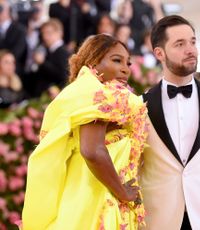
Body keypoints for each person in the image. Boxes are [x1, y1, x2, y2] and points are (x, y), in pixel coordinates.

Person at [22, 34, 148, 230]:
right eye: (117, 60)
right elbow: (92, 150)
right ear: (93, 62)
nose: (125, 69)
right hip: (94, 198)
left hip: (86, 192)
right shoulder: (96, 93)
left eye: (128, 63)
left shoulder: (83, 91)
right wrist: (122, 192)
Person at [140, 15, 200, 229]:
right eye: (180, 44)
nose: (191, 50)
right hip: (158, 220)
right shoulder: (138, 106)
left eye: (192, 41)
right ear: (159, 53)